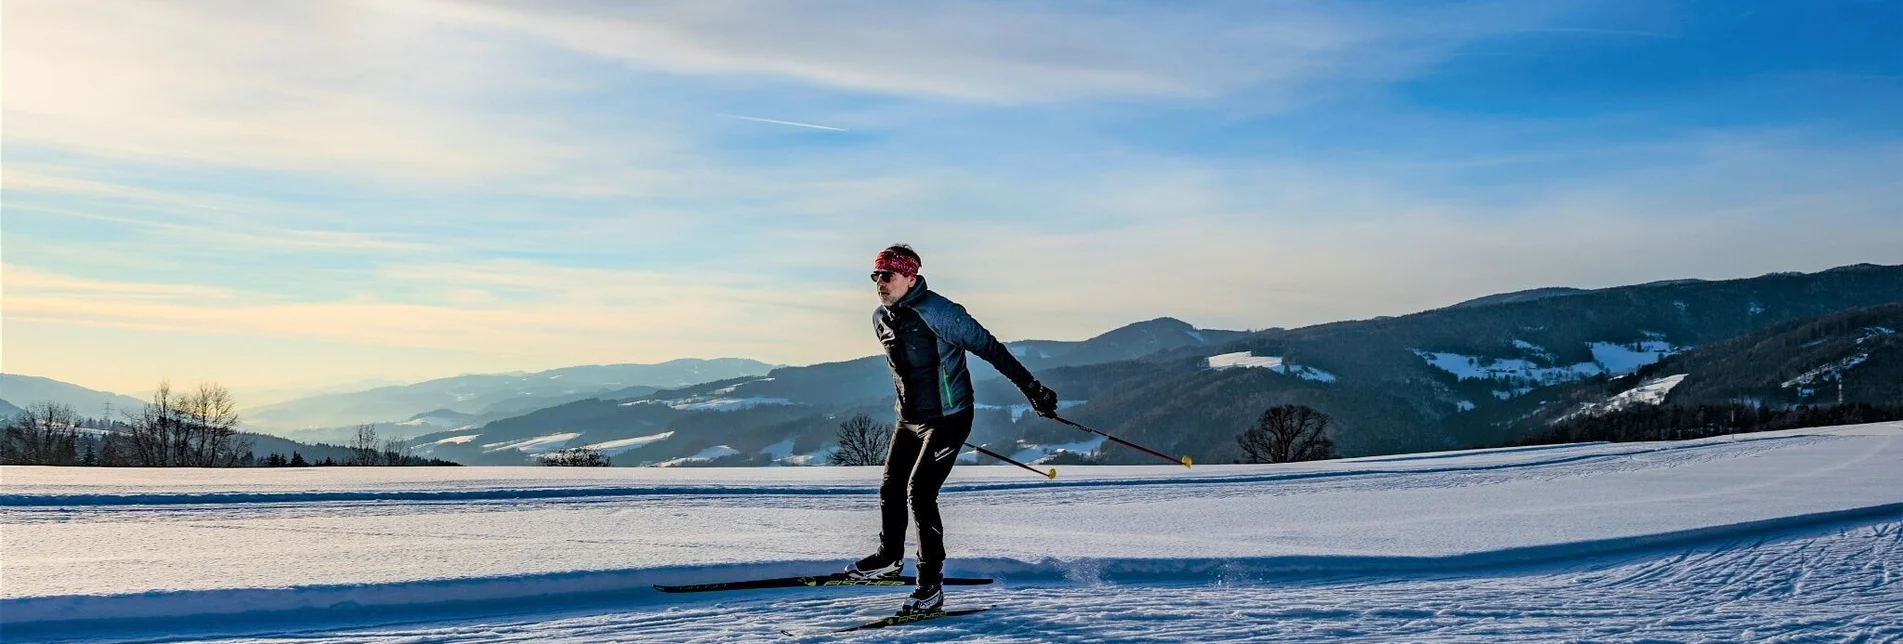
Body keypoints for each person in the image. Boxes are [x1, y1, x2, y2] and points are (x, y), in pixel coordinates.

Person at [845, 243, 1060, 615]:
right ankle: (889, 557)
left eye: (887, 275)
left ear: (910, 278)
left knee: (920, 492)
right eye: (875, 276)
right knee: (890, 485)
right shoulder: (881, 317)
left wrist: (1033, 390)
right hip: (910, 419)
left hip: (949, 418)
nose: (879, 282)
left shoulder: (941, 313)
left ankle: (930, 587)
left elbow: (991, 348)